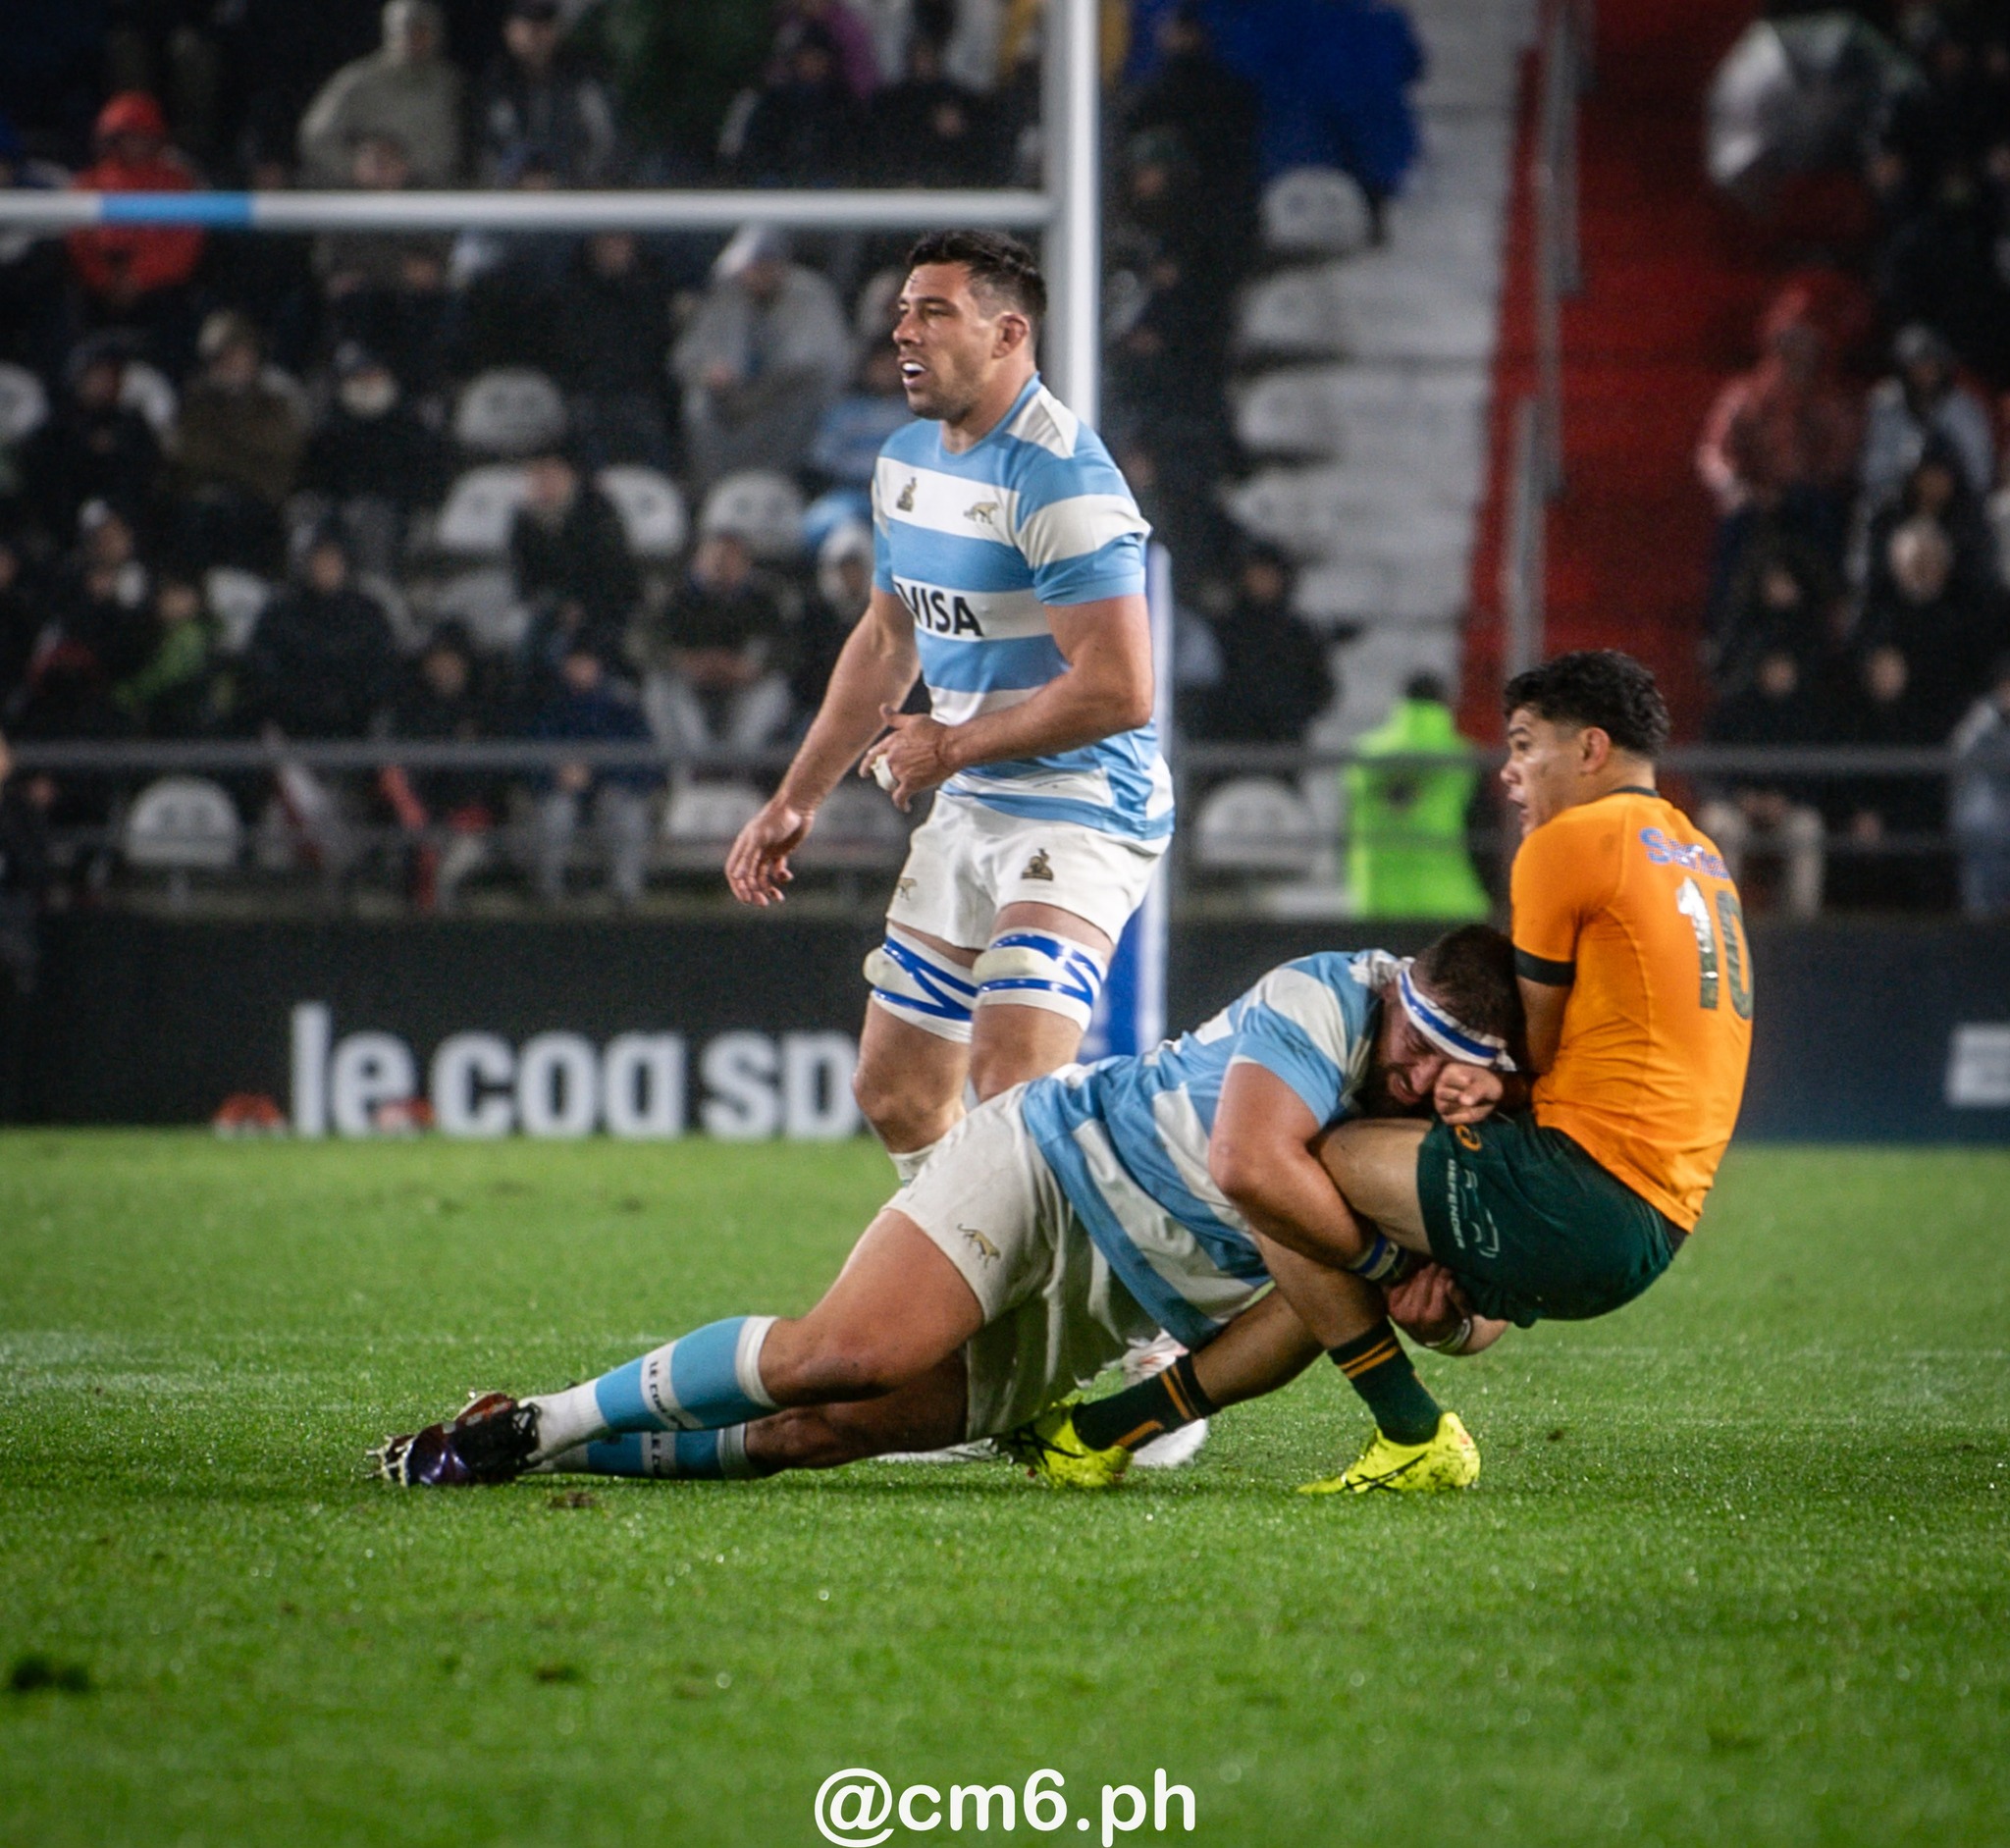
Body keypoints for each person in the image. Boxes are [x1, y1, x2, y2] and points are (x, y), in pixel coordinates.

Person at [373, 925, 1522, 1492]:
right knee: (854, 1351)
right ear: (1402, 993)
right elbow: (1250, 1167)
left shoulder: (1459, 1125)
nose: (1414, 1078)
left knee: (819, 1434)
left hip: (1114, 1302)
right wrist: (1382, 1260)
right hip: (1051, 1164)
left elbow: (1485, 1315)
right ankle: (547, 1421)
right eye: (1414, 1049)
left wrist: (1436, 1310)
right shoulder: (1329, 993)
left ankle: (544, 1450)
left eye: (1445, 1071)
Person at [1068, 655, 1752, 1472]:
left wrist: (1395, 1246)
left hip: (1582, 1186)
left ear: (1591, 749)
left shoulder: (1569, 840)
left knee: (1295, 1163)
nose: (1509, 772)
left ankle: (1412, 1430)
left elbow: (1535, 1043)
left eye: (1526, 744)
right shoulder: (1701, 858)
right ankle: (1108, 1431)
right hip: (1656, 1224)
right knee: (1327, 1223)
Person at [724, 231, 1168, 1188]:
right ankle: (969, 1271)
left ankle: (1146, 1307)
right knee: (896, 1091)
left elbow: (1121, 688)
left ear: (1009, 332)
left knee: (1013, 1076)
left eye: (934, 312)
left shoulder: (1060, 477)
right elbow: (886, 641)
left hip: (1084, 801)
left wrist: (953, 743)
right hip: (970, 792)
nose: (903, 332)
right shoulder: (905, 460)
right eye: (899, 311)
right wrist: (795, 797)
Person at [671, 228, 851, 485]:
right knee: (697, 404)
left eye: (767, 264)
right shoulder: (727, 292)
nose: (758, 274)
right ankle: (713, 488)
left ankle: (781, 482)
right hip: (732, 404)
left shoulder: (810, 293)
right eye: (752, 266)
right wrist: (709, 372)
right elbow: (684, 360)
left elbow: (817, 363)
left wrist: (763, 388)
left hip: (787, 400)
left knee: (801, 403)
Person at [1345, 674, 1491, 921]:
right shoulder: (1463, 756)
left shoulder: (1364, 755)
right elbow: (1483, 832)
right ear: (1446, 703)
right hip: (1450, 901)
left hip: (1377, 903)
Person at [635, 529, 793, 756]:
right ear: (698, 560)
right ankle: (693, 766)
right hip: (688, 684)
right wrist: (683, 661)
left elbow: (789, 649)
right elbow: (640, 642)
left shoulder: (764, 600)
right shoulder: (674, 596)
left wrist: (752, 668)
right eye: (714, 558)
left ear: (745, 564)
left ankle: (739, 764)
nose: (721, 565)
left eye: (730, 559)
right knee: (658, 686)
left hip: (743, 684)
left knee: (775, 689)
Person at [526, 645, 657, 906]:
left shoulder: (621, 705)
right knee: (555, 814)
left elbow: (646, 764)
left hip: (612, 792)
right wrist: (556, 776)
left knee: (629, 816)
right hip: (563, 792)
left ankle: (625, 897)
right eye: (573, 662)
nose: (579, 670)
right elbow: (531, 760)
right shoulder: (550, 704)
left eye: (586, 662)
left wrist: (601, 774)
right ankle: (548, 895)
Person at [298, 0, 465, 189]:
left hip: (429, 197)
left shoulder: (451, 85)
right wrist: (355, 166)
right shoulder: (357, 80)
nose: (414, 38)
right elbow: (315, 136)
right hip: (362, 196)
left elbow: (455, 148)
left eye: (422, 30)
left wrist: (407, 168)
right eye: (406, 30)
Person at [474, 0, 619, 187]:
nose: (535, 36)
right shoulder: (495, 83)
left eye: (543, 26)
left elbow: (604, 142)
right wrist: (517, 177)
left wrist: (563, 179)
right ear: (509, 30)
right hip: (508, 200)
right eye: (526, 26)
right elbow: (485, 147)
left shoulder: (581, 79)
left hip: (573, 198)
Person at [1951, 652, 2010, 918]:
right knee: (1978, 816)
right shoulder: (1983, 714)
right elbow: (1960, 752)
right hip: (1987, 812)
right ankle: (1980, 918)